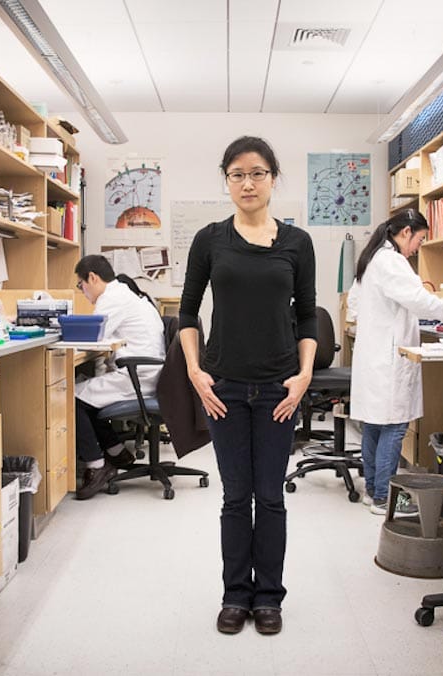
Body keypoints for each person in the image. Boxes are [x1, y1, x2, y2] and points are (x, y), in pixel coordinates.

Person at [178, 136, 317, 636]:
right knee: (236, 498)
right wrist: (196, 370)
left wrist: (303, 377)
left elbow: (307, 317)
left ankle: (269, 598)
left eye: (257, 173)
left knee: (271, 497)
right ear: (227, 181)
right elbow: (188, 311)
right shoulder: (210, 239)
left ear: (273, 178)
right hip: (225, 389)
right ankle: (236, 595)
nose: (247, 182)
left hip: (281, 389)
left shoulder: (296, 243)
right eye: (237, 174)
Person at [347, 210, 443, 515]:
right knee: (394, 425)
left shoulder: (372, 259)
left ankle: (372, 492)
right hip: (389, 357)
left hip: (374, 354)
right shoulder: (392, 261)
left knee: (375, 426)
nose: (418, 247)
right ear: (406, 232)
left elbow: (354, 303)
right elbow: (419, 300)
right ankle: (383, 498)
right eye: (419, 239)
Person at [72, 255, 167, 500]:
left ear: (92, 277)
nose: (83, 291)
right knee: (89, 395)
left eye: (81, 285)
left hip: (138, 375)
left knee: (71, 397)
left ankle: (96, 466)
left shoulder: (112, 298)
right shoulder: (126, 294)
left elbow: (93, 336)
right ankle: (116, 452)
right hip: (145, 372)